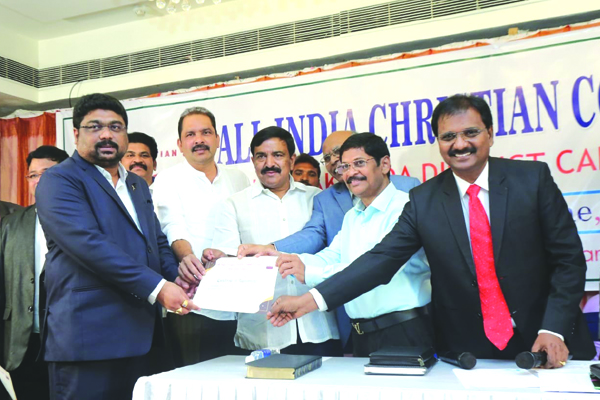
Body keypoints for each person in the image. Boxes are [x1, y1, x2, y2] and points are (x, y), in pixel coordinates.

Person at [268, 95, 596, 368]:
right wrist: (310, 301)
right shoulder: (424, 200)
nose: (460, 144)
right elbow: (380, 260)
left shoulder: (532, 180)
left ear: (490, 133)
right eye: (448, 137)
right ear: (438, 142)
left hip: (546, 341)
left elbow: (568, 260)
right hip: (468, 352)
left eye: (470, 133)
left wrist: (554, 328)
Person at [35, 93, 197, 400]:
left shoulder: (137, 184)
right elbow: (89, 246)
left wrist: (179, 277)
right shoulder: (59, 180)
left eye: (115, 126)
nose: (106, 134)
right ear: (76, 133)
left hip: (142, 339)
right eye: (95, 126)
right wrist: (159, 288)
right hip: (88, 342)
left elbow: (155, 242)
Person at [238, 130, 421, 352]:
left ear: (384, 165)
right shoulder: (353, 215)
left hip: (402, 329)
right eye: (345, 167)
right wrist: (294, 261)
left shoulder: (406, 206)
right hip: (362, 334)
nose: (350, 173)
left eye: (359, 163)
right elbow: (333, 254)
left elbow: (371, 268)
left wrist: (308, 280)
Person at [200, 126, 340, 355]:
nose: (269, 163)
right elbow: (228, 262)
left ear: (291, 160)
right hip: (263, 332)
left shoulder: (317, 198)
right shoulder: (233, 205)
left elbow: (336, 252)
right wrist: (219, 261)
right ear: (253, 161)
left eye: (277, 155)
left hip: (319, 326)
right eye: (261, 156)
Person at [152, 106, 249, 364]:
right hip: (193, 301)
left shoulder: (239, 178)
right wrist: (188, 258)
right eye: (191, 134)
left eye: (206, 133)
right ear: (180, 144)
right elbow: (172, 225)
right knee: (195, 378)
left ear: (217, 139)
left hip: (240, 302)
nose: (199, 140)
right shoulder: (168, 179)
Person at [0, 146, 68, 400]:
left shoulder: (85, 219)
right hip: (22, 343)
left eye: (47, 173)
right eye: (33, 175)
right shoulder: (11, 223)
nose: (38, 181)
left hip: (70, 341)